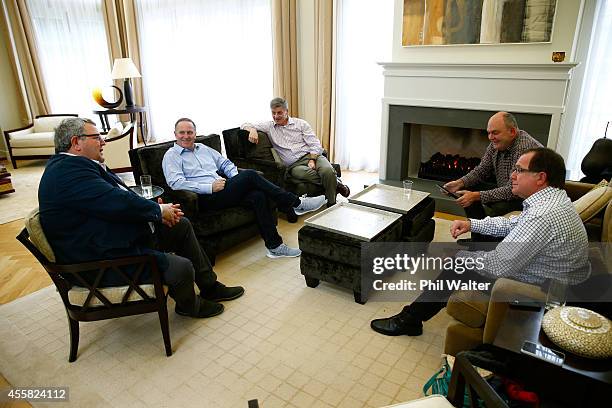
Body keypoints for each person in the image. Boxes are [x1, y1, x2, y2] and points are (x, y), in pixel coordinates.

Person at [371, 147, 589, 337]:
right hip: (551, 275)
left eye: (519, 170)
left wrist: (462, 258)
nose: (512, 175)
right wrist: (472, 224)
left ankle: (409, 320)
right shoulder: (552, 200)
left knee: (459, 263)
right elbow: (512, 225)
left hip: (544, 290)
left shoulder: (542, 214)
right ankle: (413, 317)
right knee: (469, 254)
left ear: (541, 177)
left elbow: (499, 265)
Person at [38, 118, 244, 319]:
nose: (103, 142)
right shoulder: (68, 172)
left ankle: (210, 287)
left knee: (181, 225)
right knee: (180, 268)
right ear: (76, 142)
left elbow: (116, 197)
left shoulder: (78, 166)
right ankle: (189, 306)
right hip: (99, 260)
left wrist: (156, 209)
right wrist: (157, 211)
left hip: (112, 238)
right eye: (97, 137)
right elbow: (116, 200)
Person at [163, 117, 327, 259]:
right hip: (204, 197)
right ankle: (296, 203)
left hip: (224, 188)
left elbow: (225, 163)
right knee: (250, 175)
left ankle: (275, 247)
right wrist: (209, 187)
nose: (186, 136)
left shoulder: (203, 148)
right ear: (175, 134)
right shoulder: (172, 155)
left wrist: (236, 179)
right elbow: (176, 183)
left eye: (189, 132)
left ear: (195, 133)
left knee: (258, 196)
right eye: (182, 132)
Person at [442, 112, 542, 241]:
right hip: (510, 190)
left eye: (495, 133)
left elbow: (514, 190)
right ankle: (478, 238)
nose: (490, 137)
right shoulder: (497, 144)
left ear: (512, 131)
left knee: (487, 203)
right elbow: (482, 170)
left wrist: (477, 196)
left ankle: (485, 242)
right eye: (488, 133)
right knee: (469, 188)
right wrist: (459, 183)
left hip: (523, 197)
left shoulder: (525, 149)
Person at [241, 97, 350, 206]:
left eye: (279, 113)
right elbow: (244, 124)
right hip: (294, 166)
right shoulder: (269, 127)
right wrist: (252, 130)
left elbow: (314, 144)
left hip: (311, 156)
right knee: (304, 173)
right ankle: (336, 183)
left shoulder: (301, 124)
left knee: (328, 171)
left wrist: (312, 159)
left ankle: (331, 203)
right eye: (273, 113)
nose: (276, 116)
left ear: (286, 112)